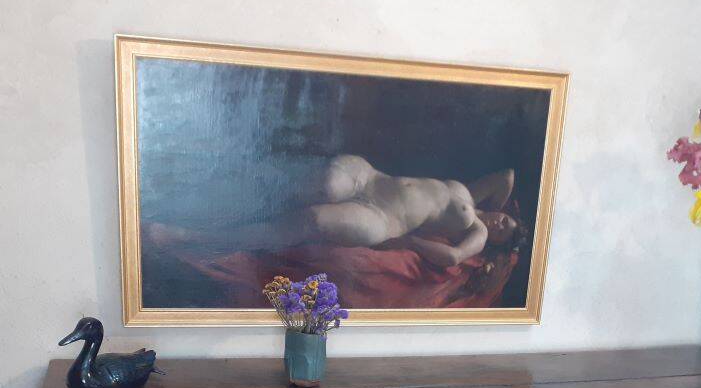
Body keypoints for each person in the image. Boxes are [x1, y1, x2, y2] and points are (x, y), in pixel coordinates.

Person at [145, 155, 523, 269]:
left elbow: (453, 257)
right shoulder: (473, 196)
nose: (500, 222)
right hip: (371, 178)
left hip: (382, 220)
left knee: (310, 220)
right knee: (322, 186)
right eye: (505, 217)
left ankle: (189, 236)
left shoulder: (477, 229)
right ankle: (210, 191)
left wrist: (413, 239)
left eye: (505, 228)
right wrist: (498, 208)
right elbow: (506, 173)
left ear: (497, 239)